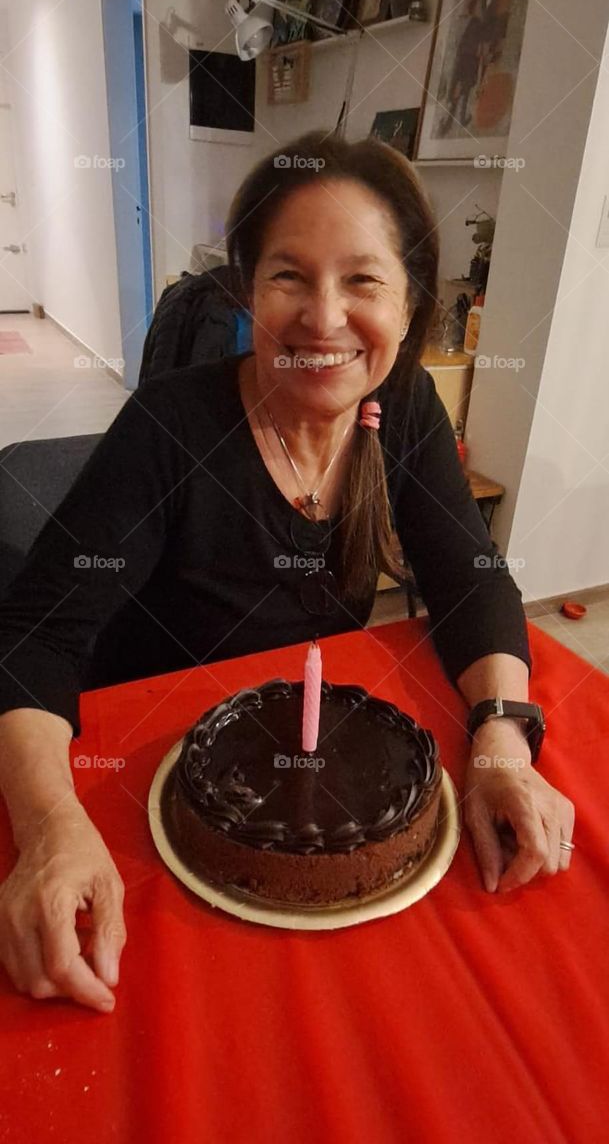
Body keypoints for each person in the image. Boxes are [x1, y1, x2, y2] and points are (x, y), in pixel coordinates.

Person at [0, 131, 575, 1013]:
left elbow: (469, 577)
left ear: (410, 298)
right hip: (147, 776)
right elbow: (35, 639)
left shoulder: (402, 403)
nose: (323, 317)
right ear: (246, 291)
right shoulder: (171, 425)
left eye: (362, 280)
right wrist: (46, 826)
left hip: (319, 790)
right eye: (289, 276)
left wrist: (500, 741)